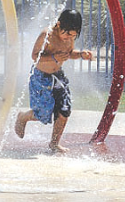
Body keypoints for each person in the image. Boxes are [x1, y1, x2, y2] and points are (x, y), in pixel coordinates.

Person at [14, 9, 93, 153]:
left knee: (64, 110)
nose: (68, 38)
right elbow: (34, 55)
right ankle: (23, 117)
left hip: (58, 76)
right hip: (41, 77)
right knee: (43, 114)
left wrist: (81, 54)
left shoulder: (69, 38)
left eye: (73, 35)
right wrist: (53, 58)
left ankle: (54, 143)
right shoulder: (47, 35)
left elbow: (68, 54)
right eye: (67, 33)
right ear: (58, 25)